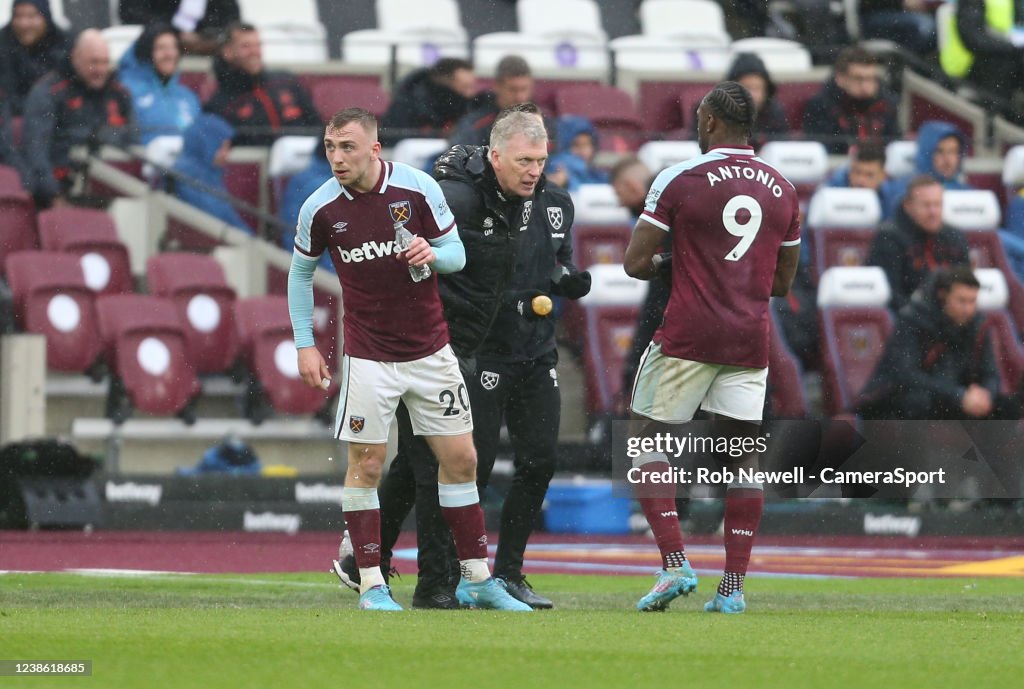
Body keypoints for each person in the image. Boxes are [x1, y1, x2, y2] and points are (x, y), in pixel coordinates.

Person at [332, 105, 590, 610]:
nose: (534, 170)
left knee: (522, 460)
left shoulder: (554, 203)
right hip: (451, 344)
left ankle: (500, 574)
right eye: (524, 160)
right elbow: (420, 255)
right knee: (446, 463)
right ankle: (431, 579)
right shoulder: (454, 196)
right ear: (495, 156)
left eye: (540, 159)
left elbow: (547, 262)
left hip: (524, 347)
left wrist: (564, 279)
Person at [288, 107, 531, 612]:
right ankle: (373, 582)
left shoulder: (418, 188)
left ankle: (479, 579)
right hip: (368, 357)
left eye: (347, 147)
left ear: (374, 149)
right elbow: (300, 274)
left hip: (430, 350)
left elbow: (457, 255)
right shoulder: (320, 207)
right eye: (331, 147)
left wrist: (430, 254)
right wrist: (305, 342)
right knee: (368, 463)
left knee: (461, 460)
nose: (337, 157)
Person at [622, 81, 801, 614]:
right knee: (742, 463)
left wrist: (676, 265)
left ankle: (675, 565)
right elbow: (783, 284)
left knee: (645, 444)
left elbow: (635, 263)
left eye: (701, 120)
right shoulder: (783, 187)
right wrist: (734, 276)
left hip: (688, 334)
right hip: (749, 338)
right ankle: (732, 589)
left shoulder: (680, 178)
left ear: (711, 123)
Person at [857, 266, 1010, 420]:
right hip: (907, 397)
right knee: (918, 401)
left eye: (973, 301)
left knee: (1008, 406)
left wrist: (985, 396)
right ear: (943, 296)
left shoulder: (978, 324)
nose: (968, 309)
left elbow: (991, 373)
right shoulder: (913, 320)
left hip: (955, 396)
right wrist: (958, 394)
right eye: (962, 301)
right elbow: (907, 376)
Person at [22, 29, 137, 208]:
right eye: (94, 62)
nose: (100, 69)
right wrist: (54, 196)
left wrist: (104, 136)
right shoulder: (48, 93)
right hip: (61, 194)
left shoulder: (120, 95)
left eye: (105, 62)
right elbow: (36, 151)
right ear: (76, 57)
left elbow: (134, 141)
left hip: (113, 193)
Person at [205, 22, 320, 146]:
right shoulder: (219, 105)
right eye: (246, 46)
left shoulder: (287, 82)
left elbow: (317, 126)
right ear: (228, 52)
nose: (255, 52)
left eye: (258, 45)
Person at [867, 175, 970, 311]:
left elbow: (967, 286)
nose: (933, 212)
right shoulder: (889, 238)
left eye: (937, 204)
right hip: (909, 320)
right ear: (908, 206)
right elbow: (892, 295)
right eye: (926, 205)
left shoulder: (955, 237)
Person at [802, 45, 901, 154]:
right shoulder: (821, 106)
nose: (865, 86)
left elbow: (895, 145)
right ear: (840, 78)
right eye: (859, 79)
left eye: (871, 79)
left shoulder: (887, 105)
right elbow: (824, 152)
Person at [117, 23, 201, 144]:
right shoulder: (126, 91)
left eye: (173, 47)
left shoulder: (188, 97)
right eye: (161, 48)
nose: (169, 54)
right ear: (146, 53)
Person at [941, 0, 1024, 120]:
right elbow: (975, 40)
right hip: (965, 64)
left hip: (996, 54)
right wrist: (1012, 48)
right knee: (1005, 63)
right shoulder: (971, 3)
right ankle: (995, 119)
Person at [171, 113, 251, 233]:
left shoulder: (211, 174)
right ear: (208, 144)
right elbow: (215, 218)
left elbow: (230, 219)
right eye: (222, 147)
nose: (226, 155)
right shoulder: (186, 176)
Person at [378, 58, 477, 146]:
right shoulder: (407, 105)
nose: (470, 94)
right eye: (465, 87)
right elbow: (392, 140)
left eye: (471, 87)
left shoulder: (470, 108)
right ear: (445, 84)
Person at [449, 55, 538, 146]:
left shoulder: (544, 122)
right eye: (513, 89)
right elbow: (458, 157)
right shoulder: (475, 125)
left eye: (524, 89)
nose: (520, 97)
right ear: (497, 86)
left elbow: (552, 157)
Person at [0, 0, 70, 116]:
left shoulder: (65, 45)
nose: (24, 24)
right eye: (18, 16)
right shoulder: (3, 44)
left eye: (31, 16)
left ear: (45, 17)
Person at [886, 120, 971, 216]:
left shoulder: (970, 194)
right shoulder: (898, 192)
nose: (948, 160)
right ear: (925, 153)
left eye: (953, 151)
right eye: (940, 151)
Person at [118, 0, 240, 55]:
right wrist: (174, 34)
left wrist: (209, 40)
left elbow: (232, 18)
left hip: (211, 59)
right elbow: (130, 13)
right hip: (154, 59)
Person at [723, 52, 791, 148]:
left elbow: (783, 150)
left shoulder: (775, 114)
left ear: (766, 90)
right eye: (746, 88)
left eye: (757, 88)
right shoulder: (713, 113)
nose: (751, 95)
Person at [824, 139, 902, 220]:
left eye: (869, 175)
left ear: (883, 176)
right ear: (849, 170)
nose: (860, 180)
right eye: (857, 172)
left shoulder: (894, 199)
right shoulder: (831, 191)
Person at [546, 115, 608, 191]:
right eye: (576, 145)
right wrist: (564, 183)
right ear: (563, 146)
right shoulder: (557, 168)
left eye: (587, 144)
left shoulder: (596, 174)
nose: (583, 150)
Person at [859, 0, 936, 56]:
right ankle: (903, 63)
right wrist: (902, 2)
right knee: (925, 27)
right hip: (875, 14)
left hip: (921, 14)